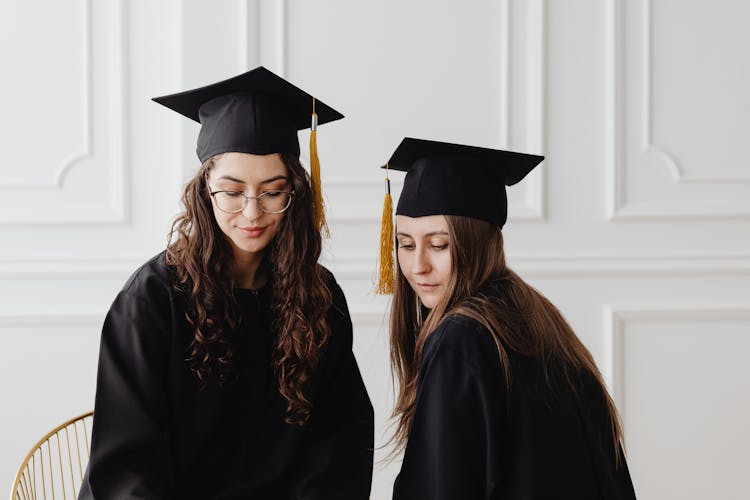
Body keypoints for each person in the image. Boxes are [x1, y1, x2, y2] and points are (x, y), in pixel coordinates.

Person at [79, 67, 374, 499]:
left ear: (294, 195)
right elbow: (129, 461)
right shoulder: (151, 300)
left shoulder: (319, 297)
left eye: (273, 192)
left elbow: (339, 444)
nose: (252, 213)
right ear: (204, 192)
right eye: (232, 192)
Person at [377, 138, 636, 499]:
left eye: (439, 245)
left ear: (477, 243)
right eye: (405, 244)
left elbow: (442, 488)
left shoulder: (460, 339)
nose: (418, 265)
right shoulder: (537, 319)